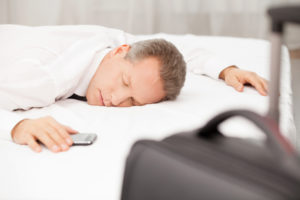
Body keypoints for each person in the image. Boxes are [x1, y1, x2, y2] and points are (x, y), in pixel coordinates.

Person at [0, 25, 268, 153]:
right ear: (120, 52)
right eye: (125, 82)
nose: (116, 99)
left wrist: (225, 69)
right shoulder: (42, 78)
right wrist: (17, 127)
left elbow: (170, 51)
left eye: (134, 101)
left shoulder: (112, 47)